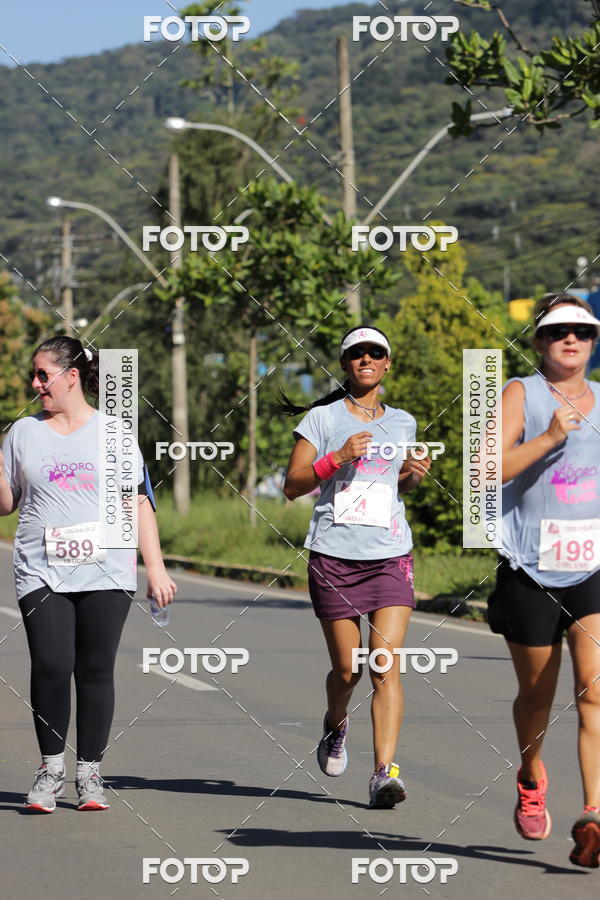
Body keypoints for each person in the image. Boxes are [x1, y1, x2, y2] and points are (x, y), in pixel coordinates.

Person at [0, 336, 177, 813]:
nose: (35, 384)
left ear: (71, 376)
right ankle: (51, 769)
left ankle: (90, 773)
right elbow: (5, 503)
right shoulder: (21, 433)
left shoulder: (115, 433)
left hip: (107, 567)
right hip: (41, 567)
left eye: (43, 375)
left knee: (95, 670)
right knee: (52, 664)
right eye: (33, 375)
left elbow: (138, 502)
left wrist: (155, 568)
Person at [281, 325, 430, 808]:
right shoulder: (321, 420)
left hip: (390, 555)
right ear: (345, 364)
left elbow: (394, 486)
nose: (366, 359)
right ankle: (335, 724)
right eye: (356, 353)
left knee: (384, 665)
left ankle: (383, 773)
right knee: (348, 670)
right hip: (334, 556)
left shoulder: (404, 422)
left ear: (388, 363)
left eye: (375, 353)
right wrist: (337, 458)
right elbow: (292, 485)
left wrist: (412, 474)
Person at [489, 293, 600, 867]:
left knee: (595, 693)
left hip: (592, 569)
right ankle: (531, 774)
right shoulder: (520, 393)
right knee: (538, 697)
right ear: (538, 341)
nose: (572, 339)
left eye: (583, 330)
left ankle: (595, 814)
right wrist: (551, 436)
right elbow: (488, 469)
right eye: (558, 331)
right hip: (530, 569)